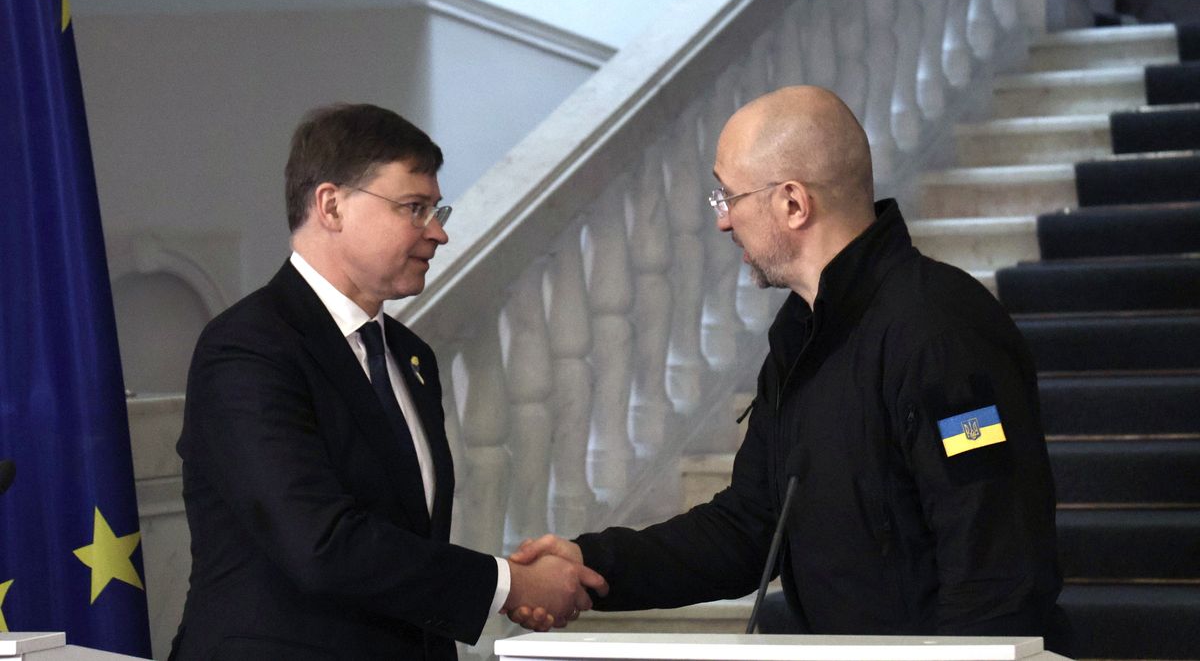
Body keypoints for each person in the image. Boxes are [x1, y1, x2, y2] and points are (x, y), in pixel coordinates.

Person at [509, 86, 1065, 643]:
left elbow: (995, 562)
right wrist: (592, 563)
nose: (724, 222)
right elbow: (752, 526)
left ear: (793, 203)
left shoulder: (942, 328)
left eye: (728, 197)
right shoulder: (800, 333)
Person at [169, 103, 605, 661]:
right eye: (415, 208)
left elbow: (405, 545)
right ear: (331, 205)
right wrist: (508, 585)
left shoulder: (409, 355)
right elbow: (321, 545)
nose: (439, 233)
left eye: (436, 209)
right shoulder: (249, 346)